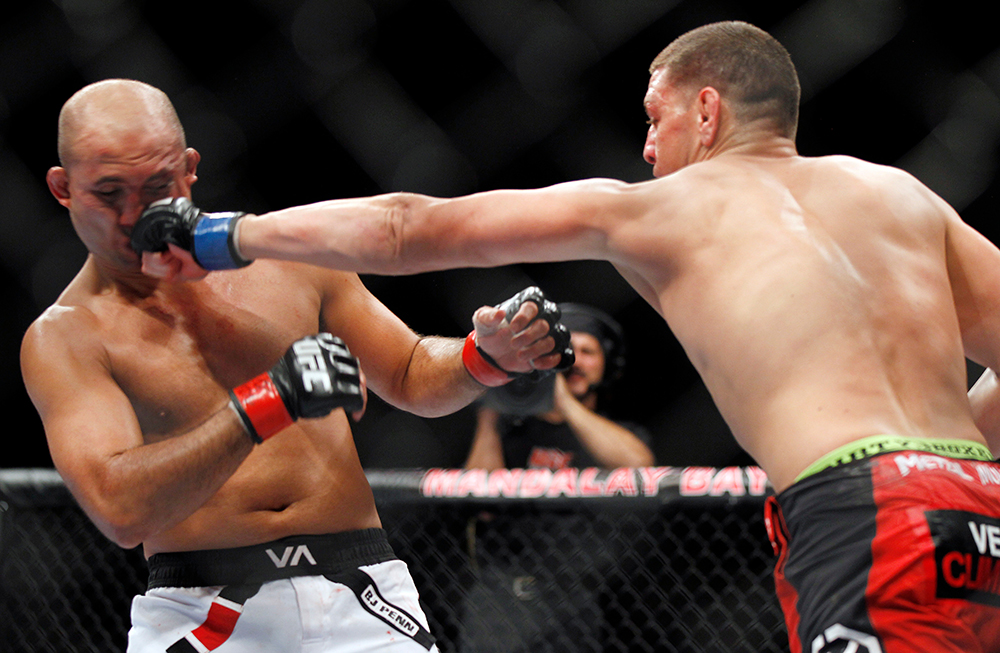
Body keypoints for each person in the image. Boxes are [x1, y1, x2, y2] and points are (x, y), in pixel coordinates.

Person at [130, 20, 1000, 652]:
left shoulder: (660, 208)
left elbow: (407, 226)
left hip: (860, 514)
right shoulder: (903, 198)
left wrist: (223, 236)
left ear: (708, 109)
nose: (648, 149)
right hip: (978, 505)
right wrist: (940, 456)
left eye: (655, 119)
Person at [19, 79, 574, 653]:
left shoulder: (282, 254)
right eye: (109, 193)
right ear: (63, 188)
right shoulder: (66, 337)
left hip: (361, 592)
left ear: (189, 170)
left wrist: (482, 356)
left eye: (157, 186)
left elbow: (408, 371)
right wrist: (269, 402)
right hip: (202, 610)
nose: (135, 214)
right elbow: (120, 509)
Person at [466, 303, 654, 470]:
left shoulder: (623, 434)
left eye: (587, 352)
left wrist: (564, 400)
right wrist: (489, 414)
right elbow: (477, 499)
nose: (576, 362)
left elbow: (641, 466)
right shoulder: (512, 432)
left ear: (606, 365)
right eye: (568, 351)